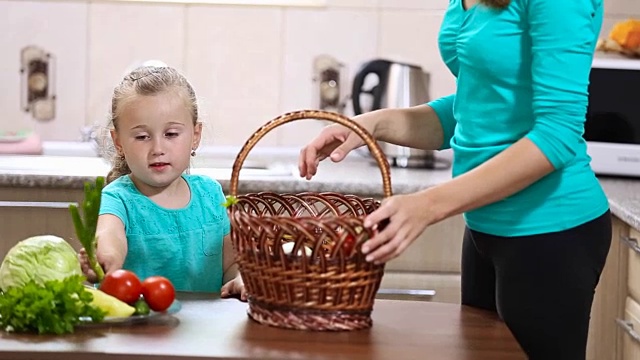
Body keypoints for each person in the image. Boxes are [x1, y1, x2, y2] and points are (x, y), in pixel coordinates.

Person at [298, 0, 610, 358]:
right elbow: (472, 110)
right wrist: (371, 124)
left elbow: (557, 134)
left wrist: (428, 205)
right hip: (484, 229)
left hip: (550, 232)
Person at [80, 65, 246, 300]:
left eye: (171, 134)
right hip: (135, 332)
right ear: (118, 142)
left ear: (195, 136)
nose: (158, 149)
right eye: (142, 137)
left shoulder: (211, 194)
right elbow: (109, 237)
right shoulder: (117, 198)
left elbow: (230, 265)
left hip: (202, 332)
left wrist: (240, 279)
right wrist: (104, 257)